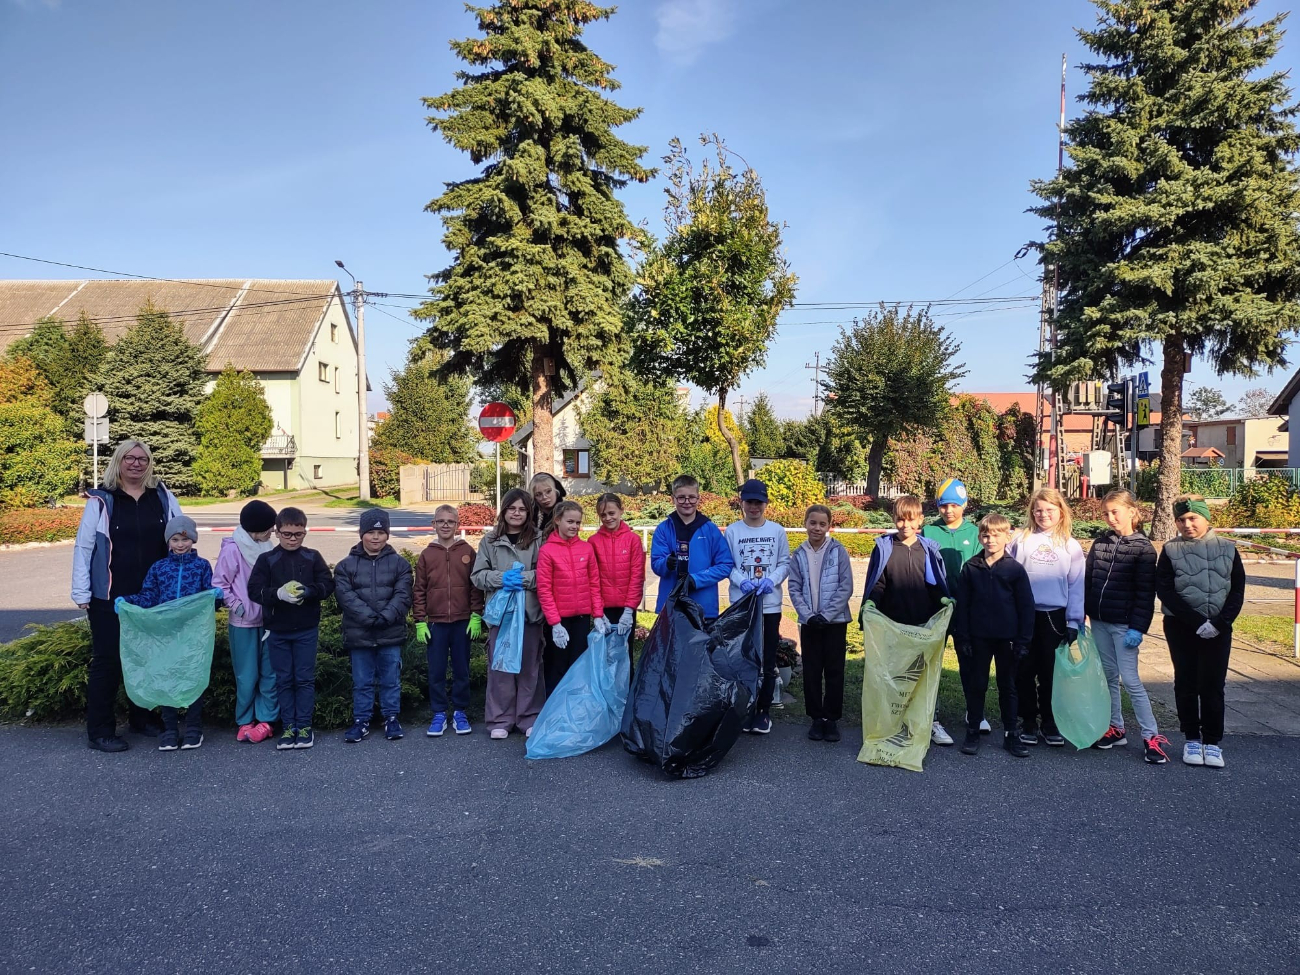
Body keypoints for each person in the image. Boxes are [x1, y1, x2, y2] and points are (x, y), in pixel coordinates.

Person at [72, 439, 182, 753]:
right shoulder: (101, 501)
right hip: (109, 596)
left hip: (153, 596)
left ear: (149, 463)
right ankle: (100, 731)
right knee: (108, 662)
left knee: (147, 658)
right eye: (129, 458)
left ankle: (141, 719)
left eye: (142, 459)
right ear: (118, 462)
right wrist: (81, 590)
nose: (136, 463)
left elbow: (182, 538)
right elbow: (84, 547)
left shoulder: (162, 497)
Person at [1156, 494, 1245, 769]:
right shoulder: (1170, 550)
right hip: (1181, 627)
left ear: (1206, 518)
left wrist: (1220, 623)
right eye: (1181, 520)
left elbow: (1237, 590)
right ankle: (1192, 738)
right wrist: (1196, 621)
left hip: (1218, 629)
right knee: (1186, 682)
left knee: (1212, 684)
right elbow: (1165, 590)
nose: (1187, 524)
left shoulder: (1228, 549)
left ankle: (1212, 741)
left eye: (1193, 518)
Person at [119, 514, 221, 751]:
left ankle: (194, 730)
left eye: (185, 539)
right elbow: (149, 596)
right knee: (166, 677)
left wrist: (216, 597)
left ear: (193, 540)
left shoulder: (202, 566)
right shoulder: (159, 568)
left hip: (193, 634)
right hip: (164, 635)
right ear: (168, 541)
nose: (180, 544)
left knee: (193, 677)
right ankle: (170, 730)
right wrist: (128, 602)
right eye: (175, 539)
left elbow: (208, 598)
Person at [1085, 489, 1167, 764]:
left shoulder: (1143, 549)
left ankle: (1151, 736)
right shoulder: (1100, 544)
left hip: (1124, 626)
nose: (1110, 518)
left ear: (1132, 512)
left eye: (1115, 512)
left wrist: (1137, 628)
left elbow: (1145, 593)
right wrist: (1082, 612)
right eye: (1105, 513)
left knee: (1130, 680)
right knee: (1108, 676)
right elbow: (1089, 580)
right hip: (1099, 621)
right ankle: (1115, 727)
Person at [862, 494, 952, 743]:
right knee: (894, 674)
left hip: (923, 626)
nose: (905, 525)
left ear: (920, 520)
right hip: (892, 625)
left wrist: (944, 599)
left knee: (923, 675)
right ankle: (893, 723)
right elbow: (879, 583)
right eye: (901, 520)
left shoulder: (928, 550)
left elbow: (934, 584)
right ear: (894, 519)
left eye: (911, 520)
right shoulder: (885, 548)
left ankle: (930, 721)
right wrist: (871, 601)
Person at [247, 507, 335, 750]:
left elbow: (328, 585)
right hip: (278, 630)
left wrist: (309, 592)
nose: (293, 539)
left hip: (306, 628)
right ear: (277, 532)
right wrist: (278, 594)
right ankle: (288, 726)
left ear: (305, 532)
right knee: (284, 680)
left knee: (304, 679)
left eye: (298, 534)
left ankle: (304, 726)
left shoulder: (312, 557)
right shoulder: (267, 560)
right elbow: (254, 591)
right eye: (287, 534)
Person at [951, 513, 1035, 758]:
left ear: (1007, 537)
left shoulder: (1014, 569)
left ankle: (1011, 734)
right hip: (978, 637)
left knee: (1007, 685)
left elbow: (1026, 606)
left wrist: (1023, 640)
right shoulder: (971, 568)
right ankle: (973, 730)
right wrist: (963, 637)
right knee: (977, 684)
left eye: (997, 535)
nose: (991, 540)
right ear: (980, 538)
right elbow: (963, 605)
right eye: (986, 535)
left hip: (1007, 638)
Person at [1008, 487, 1085, 748]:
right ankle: (1028, 720)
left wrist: (1074, 620)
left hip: (1055, 616)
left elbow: (1076, 585)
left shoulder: (1069, 545)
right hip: (1025, 615)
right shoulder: (1020, 540)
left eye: (1050, 510)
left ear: (1061, 512)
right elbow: (1009, 576)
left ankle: (1050, 722)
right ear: (1032, 512)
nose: (1043, 515)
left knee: (1051, 672)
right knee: (1024, 670)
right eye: (1038, 510)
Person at [471, 489, 546, 739]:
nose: (517, 513)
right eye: (512, 508)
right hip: (501, 616)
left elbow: (547, 572)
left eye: (522, 509)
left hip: (529, 614)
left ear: (529, 512)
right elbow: (477, 576)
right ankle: (500, 720)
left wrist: (525, 579)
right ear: (503, 511)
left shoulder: (539, 538)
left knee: (530, 667)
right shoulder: (490, 540)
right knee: (500, 668)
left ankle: (529, 717)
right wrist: (502, 579)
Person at [336, 509, 413, 744]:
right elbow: (345, 597)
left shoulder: (400, 564)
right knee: (362, 682)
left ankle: (391, 718)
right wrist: (369, 618)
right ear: (361, 534)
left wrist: (385, 617)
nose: (376, 537)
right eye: (370, 532)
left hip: (390, 632)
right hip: (359, 634)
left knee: (391, 680)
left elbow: (403, 595)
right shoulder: (345, 566)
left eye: (381, 532)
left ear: (387, 534)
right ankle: (361, 720)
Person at [724, 478, 790, 736]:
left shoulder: (777, 531)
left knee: (767, 659)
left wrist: (771, 580)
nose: (754, 507)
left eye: (758, 503)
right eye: (749, 502)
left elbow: (784, 562)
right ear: (742, 503)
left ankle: (763, 710)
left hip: (769, 605)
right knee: (743, 658)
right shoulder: (733, 531)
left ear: (766, 504)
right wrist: (741, 581)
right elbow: (727, 565)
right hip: (742, 604)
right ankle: (744, 708)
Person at [413, 504, 484, 738]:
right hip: (436, 623)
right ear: (433, 524)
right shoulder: (427, 554)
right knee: (437, 670)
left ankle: (460, 712)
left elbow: (475, 586)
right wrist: (420, 620)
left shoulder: (467, 551)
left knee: (462, 669)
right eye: (441, 521)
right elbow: (419, 589)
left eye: (450, 521)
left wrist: (476, 614)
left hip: (463, 621)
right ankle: (439, 713)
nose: (445, 525)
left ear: (458, 525)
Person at [213, 499, 279, 744]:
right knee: (246, 676)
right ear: (256, 528)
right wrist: (239, 608)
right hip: (243, 624)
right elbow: (219, 585)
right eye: (269, 527)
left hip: (269, 620)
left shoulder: (268, 547)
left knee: (269, 674)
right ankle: (245, 720)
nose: (272, 531)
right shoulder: (233, 549)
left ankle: (266, 720)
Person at [787, 504, 853, 743]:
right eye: (812, 523)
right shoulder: (799, 553)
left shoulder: (838, 551)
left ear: (829, 526)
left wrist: (827, 615)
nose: (817, 528)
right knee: (812, 671)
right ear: (805, 523)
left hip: (834, 622)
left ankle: (831, 719)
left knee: (834, 671)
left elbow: (846, 586)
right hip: (810, 623)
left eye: (822, 524)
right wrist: (808, 615)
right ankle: (816, 718)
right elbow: (794, 588)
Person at [921, 476, 981, 741]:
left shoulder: (975, 533)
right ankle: (931, 717)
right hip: (936, 609)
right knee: (931, 662)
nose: (948, 510)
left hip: (967, 611)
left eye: (954, 505)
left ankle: (974, 712)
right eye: (943, 505)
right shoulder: (929, 532)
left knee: (970, 663)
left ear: (964, 504)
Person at [537, 499, 604, 693]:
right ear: (558, 520)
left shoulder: (586, 548)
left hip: (581, 618)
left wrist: (598, 614)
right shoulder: (547, 551)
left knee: (578, 665)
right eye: (570, 522)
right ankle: (554, 707)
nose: (574, 526)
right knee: (556, 666)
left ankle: (575, 707)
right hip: (559, 621)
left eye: (577, 522)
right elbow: (544, 589)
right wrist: (555, 623)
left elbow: (594, 583)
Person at [649, 475, 735, 621]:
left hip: (704, 608)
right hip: (670, 607)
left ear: (698, 498)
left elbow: (725, 565)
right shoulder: (663, 529)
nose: (687, 502)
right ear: (673, 499)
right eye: (681, 498)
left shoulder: (710, 530)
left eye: (691, 497)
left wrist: (696, 580)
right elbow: (656, 564)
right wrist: (666, 564)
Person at [587, 493, 645, 676]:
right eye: (603, 515)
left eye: (611, 513)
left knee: (625, 653)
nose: (608, 518)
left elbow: (637, 576)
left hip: (625, 607)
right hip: (604, 608)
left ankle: (626, 689)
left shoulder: (633, 540)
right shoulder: (593, 542)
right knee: (605, 655)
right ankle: (606, 691)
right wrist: (598, 612)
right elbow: (592, 579)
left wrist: (629, 610)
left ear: (621, 511)